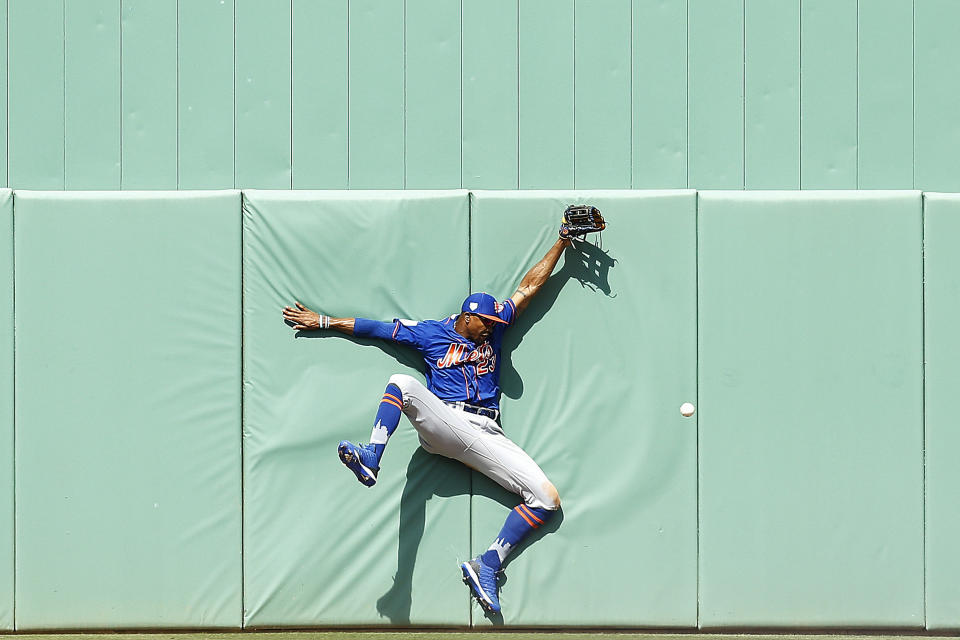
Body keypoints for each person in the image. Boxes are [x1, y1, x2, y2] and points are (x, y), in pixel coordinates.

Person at [281, 234, 572, 614]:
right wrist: (323, 321)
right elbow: (375, 329)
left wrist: (562, 241)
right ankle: (371, 454)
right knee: (401, 383)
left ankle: (488, 564)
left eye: (494, 321)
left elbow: (529, 286)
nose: (491, 327)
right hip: (446, 419)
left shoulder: (495, 327)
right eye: (485, 322)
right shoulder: (433, 333)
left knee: (547, 499)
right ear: (467, 317)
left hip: (488, 433)